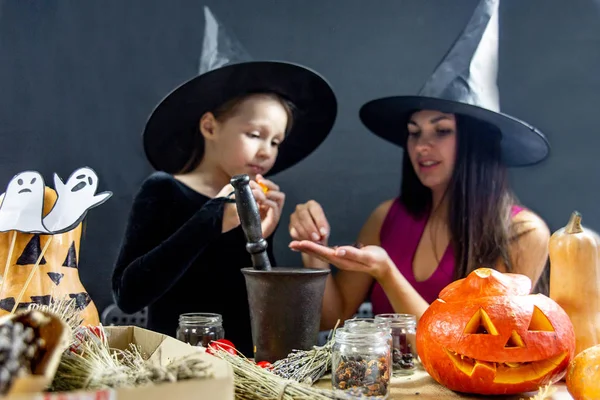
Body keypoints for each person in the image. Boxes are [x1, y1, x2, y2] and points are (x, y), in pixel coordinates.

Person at [288, 0, 551, 330]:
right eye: (414, 133)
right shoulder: (386, 218)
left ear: (477, 143)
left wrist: (386, 272)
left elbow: (477, 346)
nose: (421, 146)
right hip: (388, 382)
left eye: (441, 131)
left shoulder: (522, 233)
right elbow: (332, 319)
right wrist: (315, 253)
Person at [110, 40, 337, 355]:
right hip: (178, 364)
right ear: (209, 126)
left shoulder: (253, 204)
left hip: (247, 366)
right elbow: (129, 293)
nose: (266, 152)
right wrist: (213, 216)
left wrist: (260, 242)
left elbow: (254, 308)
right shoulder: (163, 189)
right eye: (255, 135)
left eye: (276, 141)